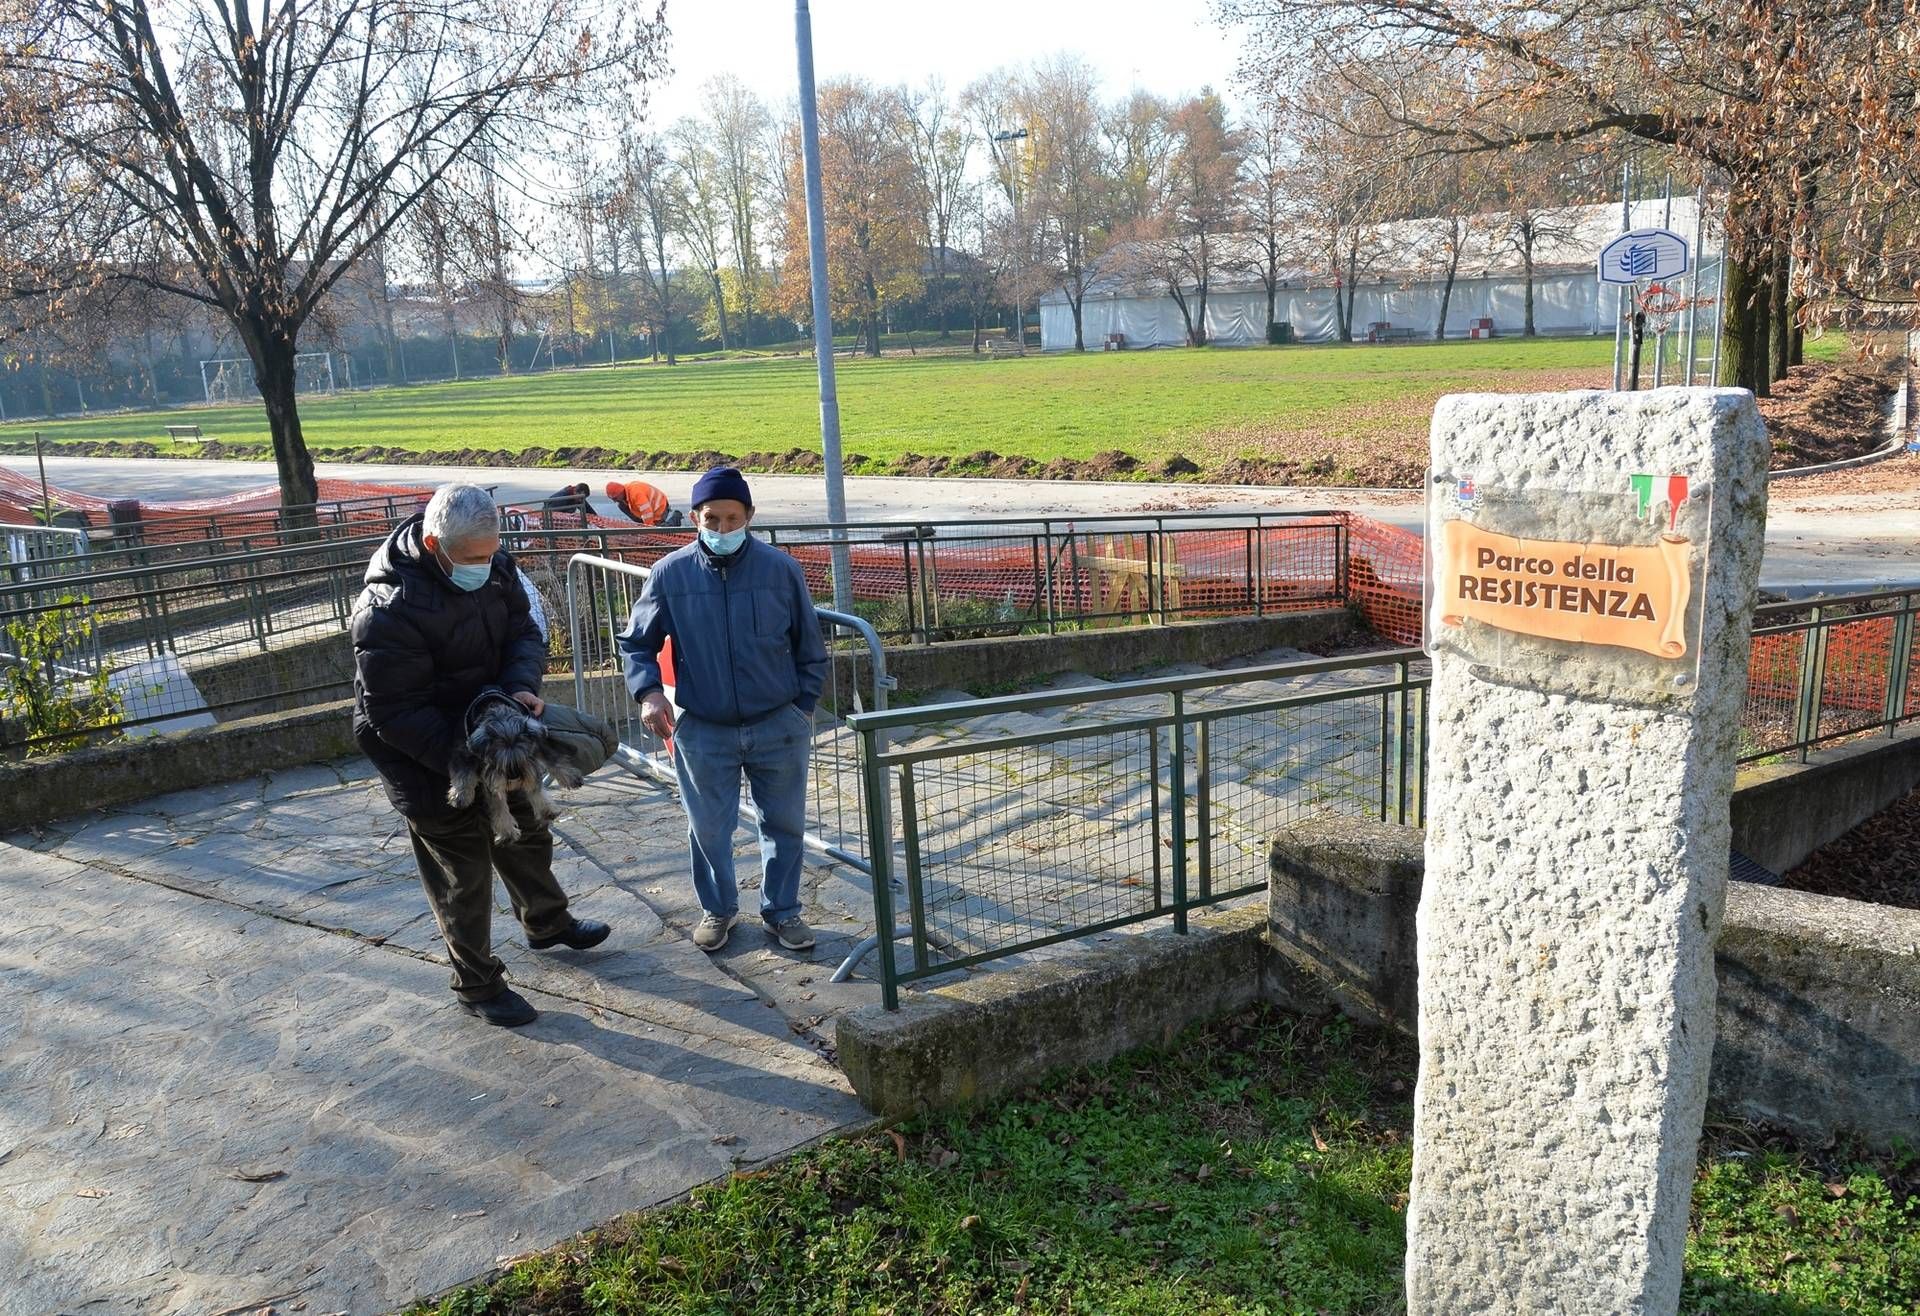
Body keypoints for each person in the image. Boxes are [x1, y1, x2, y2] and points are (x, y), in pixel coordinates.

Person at [352, 483, 610, 1028]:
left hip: (496, 721)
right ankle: (476, 983)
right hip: (421, 752)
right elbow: (393, 713)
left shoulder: (494, 565)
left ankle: (547, 922)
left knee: (527, 830)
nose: (484, 566)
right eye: (472, 558)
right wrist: (469, 761)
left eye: (491, 554)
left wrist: (520, 687)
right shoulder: (387, 609)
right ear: (433, 544)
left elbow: (524, 633)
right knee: (462, 870)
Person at [616, 467, 827, 953]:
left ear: (749, 516)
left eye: (733, 518)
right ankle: (718, 909)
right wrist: (648, 693)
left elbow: (810, 646)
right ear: (695, 517)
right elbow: (636, 642)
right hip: (704, 727)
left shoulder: (781, 570)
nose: (723, 528)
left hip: (778, 723)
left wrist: (802, 707)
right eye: (712, 519)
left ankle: (783, 911)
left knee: (785, 825)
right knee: (709, 828)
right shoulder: (671, 574)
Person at [605, 479, 684, 528]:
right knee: (621, 505)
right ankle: (642, 525)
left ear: (621, 492)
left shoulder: (636, 493)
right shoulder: (624, 493)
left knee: (661, 532)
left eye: (615, 498)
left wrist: (649, 529)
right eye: (613, 499)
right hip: (648, 509)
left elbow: (647, 512)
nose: (614, 501)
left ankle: (676, 517)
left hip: (660, 507)